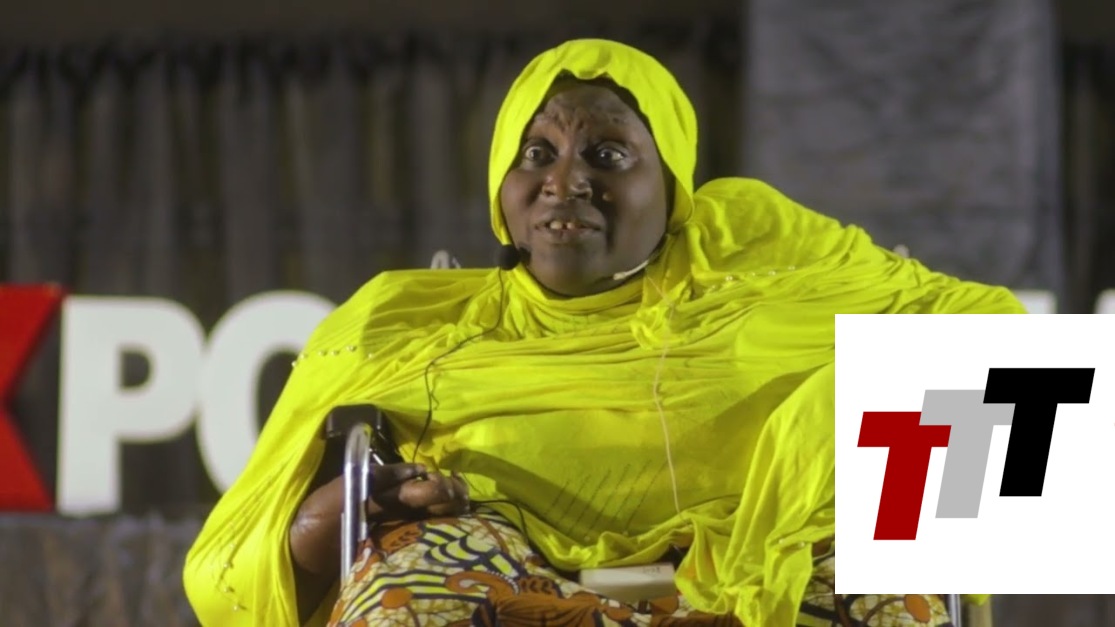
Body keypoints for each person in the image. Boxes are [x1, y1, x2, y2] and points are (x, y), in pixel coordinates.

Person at [183, 38, 1023, 626]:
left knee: (894, 585)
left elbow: (1000, 341)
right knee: (401, 595)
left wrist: (824, 441)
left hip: (773, 577)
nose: (564, 182)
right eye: (536, 154)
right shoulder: (412, 323)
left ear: (672, 186)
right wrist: (345, 511)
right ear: (499, 182)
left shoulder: (764, 257)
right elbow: (241, 569)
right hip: (512, 583)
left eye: (607, 155)